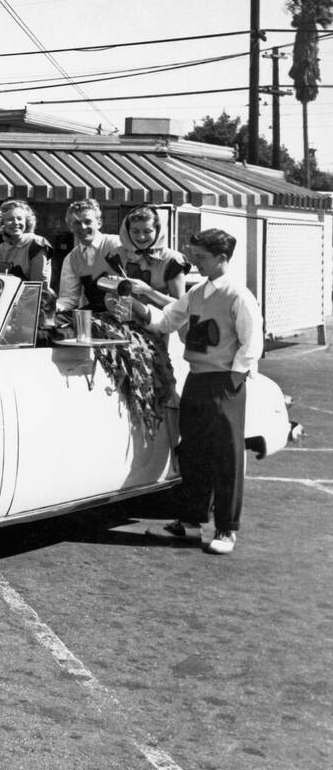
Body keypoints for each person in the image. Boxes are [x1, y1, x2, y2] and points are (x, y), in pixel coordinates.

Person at [128, 229, 263, 556]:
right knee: (192, 452)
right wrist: (135, 306)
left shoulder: (238, 295)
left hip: (224, 384)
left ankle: (226, 529)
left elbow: (252, 343)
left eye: (201, 258)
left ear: (222, 259)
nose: (194, 264)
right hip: (197, 380)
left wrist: (233, 379)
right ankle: (189, 523)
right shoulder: (197, 293)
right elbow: (165, 322)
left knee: (226, 457)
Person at [112, 204, 190, 307]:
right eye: (135, 231)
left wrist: (148, 291)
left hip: (161, 321)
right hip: (124, 319)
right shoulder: (118, 254)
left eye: (147, 231)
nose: (141, 236)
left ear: (158, 231)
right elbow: (112, 293)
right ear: (127, 231)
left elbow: (181, 306)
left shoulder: (172, 259)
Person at [55, 199, 122, 313]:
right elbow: (69, 298)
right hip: (94, 314)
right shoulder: (71, 259)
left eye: (87, 221)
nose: (83, 227)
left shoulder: (117, 244)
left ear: (99, 223)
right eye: (76, 222)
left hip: (123, 310)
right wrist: (53, 307)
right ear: (70, 227)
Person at [0, 200, 52, 285]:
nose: (16, 223)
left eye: (19, 218)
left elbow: (38, 285)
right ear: (2, 223)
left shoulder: (37, 244)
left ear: (26, 221)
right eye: (10, 219)